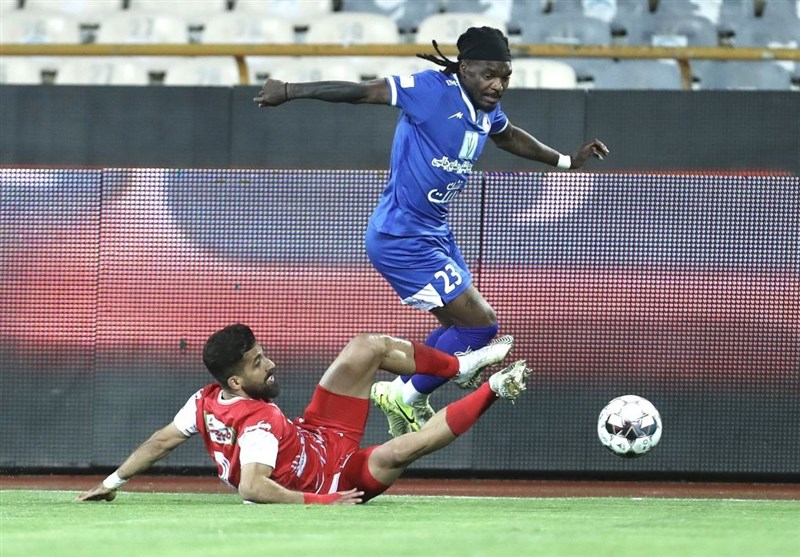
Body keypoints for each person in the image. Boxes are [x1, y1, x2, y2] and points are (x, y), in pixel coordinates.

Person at [253, 27, 609, 437]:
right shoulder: (430, 90)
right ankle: (405, 393)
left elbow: (508, 136)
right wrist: (289, 90)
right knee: (481, 326)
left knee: (461, 330)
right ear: (464, 67)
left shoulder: (485, 108)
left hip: (434, 232)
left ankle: (407, 391)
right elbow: (361, 92)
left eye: (505, 77)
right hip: (401, 239)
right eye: (489, 75)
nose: (498, 85)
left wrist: (565, 161)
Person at [77, 323, 528, 505]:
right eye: (258, 363)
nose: (270, 363)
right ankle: (494, 387)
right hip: (335, 478)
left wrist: (111, 483)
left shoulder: (205, 399)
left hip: (317, 433)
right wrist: (324, 502)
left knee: (366, 347)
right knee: (403, 450)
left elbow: (161, 441)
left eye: (262, 354)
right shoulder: (258, 425)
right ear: (237, 382)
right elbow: (253, 488)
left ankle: (459, 368)